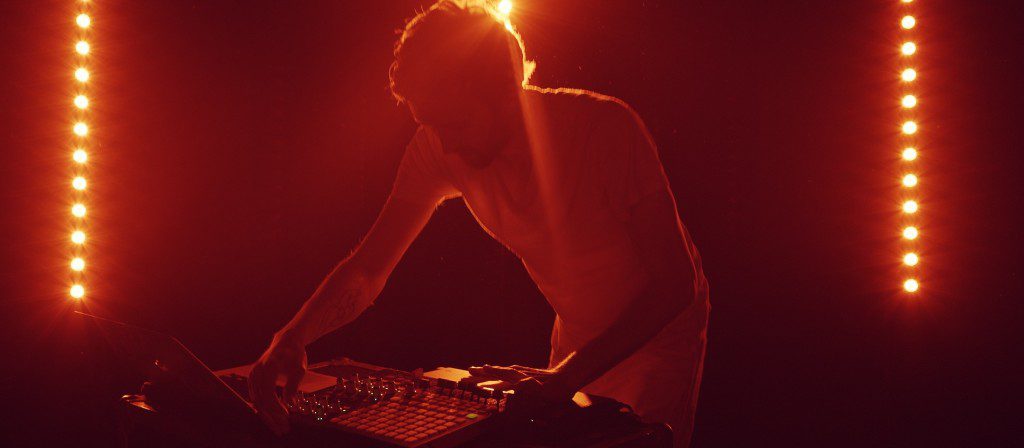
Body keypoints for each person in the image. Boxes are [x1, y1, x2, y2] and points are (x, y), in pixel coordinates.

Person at [249, 1, 710, 446]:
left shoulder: (604, 128)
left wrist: (566, 376)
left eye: (456, 123)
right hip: (575, 344)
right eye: (433, 124)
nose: (446, 145)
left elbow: (675, 285)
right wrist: (292, 337)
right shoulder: (436, 144)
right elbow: (369, 269)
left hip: (657, 342)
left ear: (505, 90)